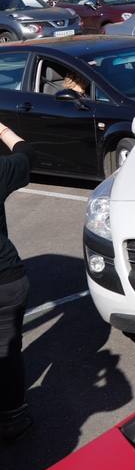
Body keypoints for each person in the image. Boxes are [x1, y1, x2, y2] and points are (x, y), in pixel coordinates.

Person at [0, 121, 32, 441]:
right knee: (8, 351)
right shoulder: (2, 169)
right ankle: (14, 416)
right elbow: (26, 155)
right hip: (7, 279)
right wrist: (3, 132)